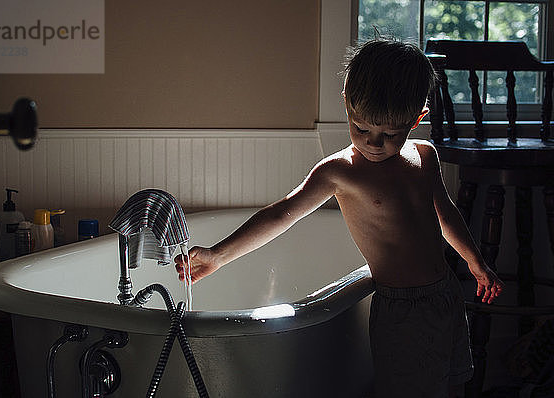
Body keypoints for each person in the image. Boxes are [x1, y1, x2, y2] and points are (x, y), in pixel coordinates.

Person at [174, 38, 504, 397]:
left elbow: (446, 214)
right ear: (346, 102)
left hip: (445, 293)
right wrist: (217, 255)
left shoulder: (424, 156)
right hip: (401, 308)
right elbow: (281, 214)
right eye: (361, 128)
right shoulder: (341, 172)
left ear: (417, 118)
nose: (374, 143)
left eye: (390, 134)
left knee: (453, 382)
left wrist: (475, 261)